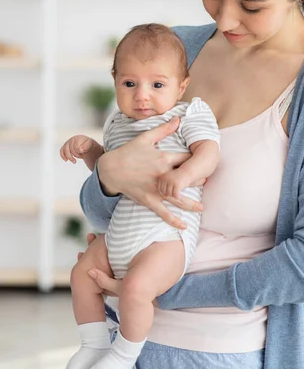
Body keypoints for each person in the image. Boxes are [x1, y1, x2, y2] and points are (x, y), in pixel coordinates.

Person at [77, 0, 304, 368]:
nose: (224, 19)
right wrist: (107, 176)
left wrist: (160, 292)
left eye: (251, 5)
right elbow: (105, 208)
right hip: (119, 336)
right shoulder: (174, 49)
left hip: (218, 352)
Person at [60, 23, 221, 369]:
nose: (142, 96)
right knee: (81, 274)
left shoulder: (186, 114)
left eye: (157, 85)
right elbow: (113, 174)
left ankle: (123, 354)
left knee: (136, 289)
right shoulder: (117, 123)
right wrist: (92, 153)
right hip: (120, 232)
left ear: (182, 86)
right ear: (115, 80)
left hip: (167, 236)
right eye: (129, 84)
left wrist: (185, 175)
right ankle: (94, 344)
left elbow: (209, 152)